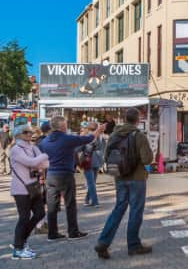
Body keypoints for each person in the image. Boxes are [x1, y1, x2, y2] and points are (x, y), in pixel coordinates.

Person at [95, 108, 154, 259]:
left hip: (120, 177)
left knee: (119, 208)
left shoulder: (114, 134)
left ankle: (103, 242)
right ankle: (133, 244)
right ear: (137, 120)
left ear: (124, 119)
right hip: (137, 177)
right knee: (135, 210)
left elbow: (106, 155)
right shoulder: (138, 135)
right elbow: (147, 159)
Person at [39, 116, 105, 241]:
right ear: (62, 126)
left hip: (51, 174)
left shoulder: (44, 142)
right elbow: (89, 138)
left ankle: (52, 234)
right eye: (65, 124)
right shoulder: (67, 139)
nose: (66, 126)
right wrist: (99, 130)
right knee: (70, 204)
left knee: (52, 205)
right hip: (65, 174)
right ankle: (73, 232)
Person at [9, 125, 49, 259]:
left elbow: (45, 165)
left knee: (40, 213)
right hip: (20, 188)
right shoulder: (16, 149)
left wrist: (40, 159)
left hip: (33, 186)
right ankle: (18, 250)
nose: (29, 134)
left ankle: (20, 242)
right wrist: (43, 155)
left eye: (30, 132)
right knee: (24, 218)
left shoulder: (33, 147)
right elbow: (31, 162)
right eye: (25, 132)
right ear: (18, 135)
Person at [77, 122, 104, 207]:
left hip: (89, 161)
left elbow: (78, 149)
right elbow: (103, 148)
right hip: (95, 161)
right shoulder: (100, 137)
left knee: (91, 183)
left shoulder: (86, 137)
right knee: (92, 183)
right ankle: (93, 201)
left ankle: (89, 200)